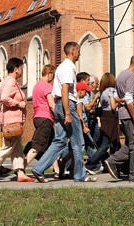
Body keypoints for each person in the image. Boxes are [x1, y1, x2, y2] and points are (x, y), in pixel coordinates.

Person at [31, 42, 96, 183]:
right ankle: (80, 175)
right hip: (68, 105)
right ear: (72, 51)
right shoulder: (68, 67)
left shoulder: (62, 67)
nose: (79, 54)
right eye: (78, 51)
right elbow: (65, 90)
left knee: (59, 140)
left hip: (60, 105)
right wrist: (67, 113)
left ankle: (38, 168)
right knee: (77, 142)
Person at [104, 54, 134, 183]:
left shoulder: (121, 75)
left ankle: (111, 161)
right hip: (130, 115)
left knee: (131, 143)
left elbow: (117, 96)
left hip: (123, 114)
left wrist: (120, 101)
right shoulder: (130, 76)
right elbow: (129, 98)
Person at [0, 57, 35, 182]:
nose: (22, 70)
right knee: (8, 148)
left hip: (15, 120)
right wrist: (18, 104)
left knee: (17, 148)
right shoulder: (11, 82)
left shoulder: (12, 82)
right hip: (11, 121)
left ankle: (20, 173)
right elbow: (4, 97)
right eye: (21, 68)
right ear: (16, 69)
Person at [85, 72, 119, 173]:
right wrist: (121, 102)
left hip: (104, 118)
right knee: (105, 145)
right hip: (112, 119)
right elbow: (113, 106)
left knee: (114, 144)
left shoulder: (102, 92)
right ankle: (90, 164)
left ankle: (118, 165)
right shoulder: (112, 91)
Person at [24, 64, 56, 169]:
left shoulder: (36, 86)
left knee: (52, 146)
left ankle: (57, 170)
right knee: (37, 146)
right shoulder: (47, 86)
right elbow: (51, 104)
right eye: (53, 75)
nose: (53, 78)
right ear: (49, 74)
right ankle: (21, 168)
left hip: (37, 117)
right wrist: (59, 115)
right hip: (45, 118)